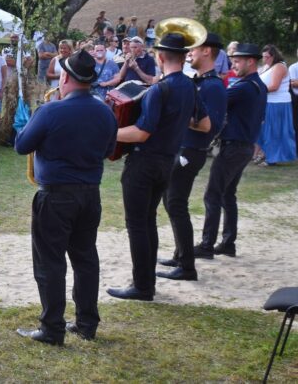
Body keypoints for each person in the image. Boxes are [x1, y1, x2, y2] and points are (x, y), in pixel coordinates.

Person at [14, 50, 116, 346]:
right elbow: (110, 151)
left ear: (66, 77)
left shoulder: (49, 111)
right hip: (90, 195)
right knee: (85, 259)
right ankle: (86, 324)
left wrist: (29, 120)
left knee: (50, 262)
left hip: (56, 196)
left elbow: (22, 146)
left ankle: (52, 328)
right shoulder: (105, 112)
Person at [106, 33, 207, 302]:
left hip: (145, 162)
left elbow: (141, 133)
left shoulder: (159, 89)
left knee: (137, 225)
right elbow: (203, 123)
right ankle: (145, 283)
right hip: (168, 162)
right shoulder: (190, 86)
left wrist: (109, 132)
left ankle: (142, 286)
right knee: (147, 221)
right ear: (185, 57)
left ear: (160, 58)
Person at [157, 33, 226, 282]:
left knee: (177, 205)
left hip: (191, 152)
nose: (190, 54)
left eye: (194, 49)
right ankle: (180, 256)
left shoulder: (213, 86)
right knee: (171, 203)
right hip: (182, 149)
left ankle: (187, 266)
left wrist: (173, 116)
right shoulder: (198, 82)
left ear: (207, 51)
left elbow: (212, 126)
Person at [196, 43, 268, 259]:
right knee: (228, 195)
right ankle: (228, 243)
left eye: (237, 61)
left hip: (234, 146)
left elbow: (216, 101)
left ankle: (207, 245)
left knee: (213, 195)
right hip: (244, 146)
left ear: (251, 61)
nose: (233, 65)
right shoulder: (259, 85)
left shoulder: (244, 86)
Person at [254, 45, 296, 165]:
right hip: (268, 102)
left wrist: (256, 90)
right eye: (263, 57)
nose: (264, 59)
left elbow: (274, 86)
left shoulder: (279, 66)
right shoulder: (267, 66)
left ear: (274, 56)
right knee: (264, 130)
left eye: (267, 57)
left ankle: (271, 158)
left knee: (273, 131)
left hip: (278, 103)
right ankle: (264, 154)